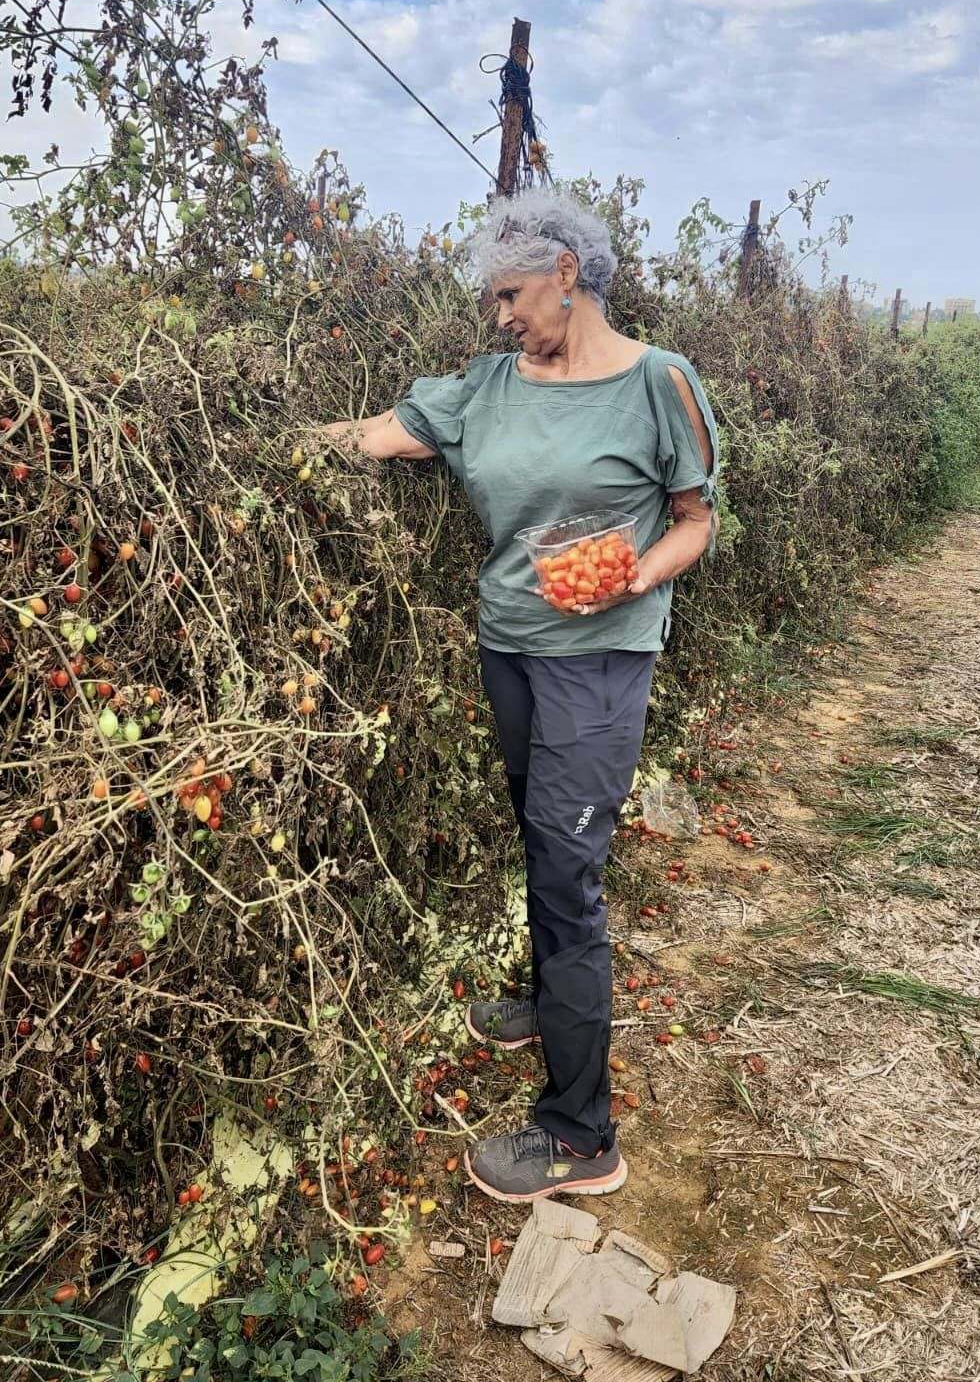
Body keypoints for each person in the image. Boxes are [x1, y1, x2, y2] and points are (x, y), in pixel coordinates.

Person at [319, 188, 720, 1205]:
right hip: (512, 648)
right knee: (540, 839)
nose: (499, 314)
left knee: (567, 874)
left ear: (567, 276)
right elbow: (373, 436)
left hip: (601, 661)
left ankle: (581, 1133)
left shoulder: (659, 383)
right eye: (491, 298)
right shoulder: (486, 387)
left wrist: (640, 573)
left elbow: (694, 519)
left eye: (510, 293)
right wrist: (244, 440)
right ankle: (549, 1001)